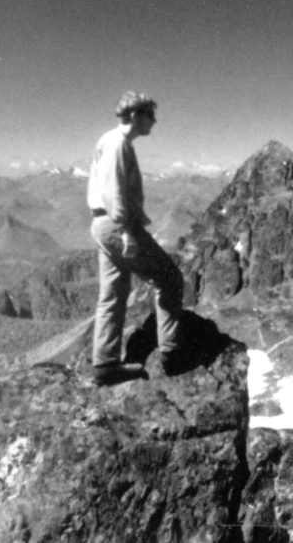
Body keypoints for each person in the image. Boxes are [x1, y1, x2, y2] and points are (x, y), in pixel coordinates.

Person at [87, 91, 188, 386]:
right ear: (133, 115)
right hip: (118, 226)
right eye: (149, 115)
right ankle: (171, 354)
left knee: (113, 294)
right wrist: (128, 231)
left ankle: (105, 366)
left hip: (102, 225)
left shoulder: (112, 141)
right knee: (169, 279)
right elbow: (113, 192)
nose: (153, 122)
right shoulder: (118, 143)